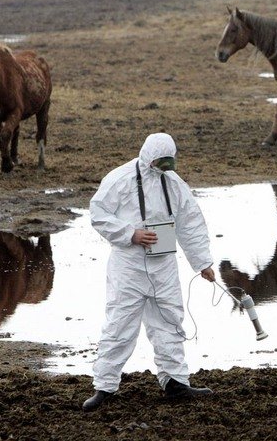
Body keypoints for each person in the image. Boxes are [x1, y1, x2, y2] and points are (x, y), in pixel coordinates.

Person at [83, 133, 216, 412]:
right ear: (148, 157)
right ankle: (104, 387)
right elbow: (98, 213)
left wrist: (202, 262)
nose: (164, 168)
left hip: (164, 265)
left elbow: (190, 222)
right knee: (119, 324)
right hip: (129, 266)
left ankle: (175, 382)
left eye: (169, 163)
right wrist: (130, 234)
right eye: (160, 163)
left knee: (170, 321)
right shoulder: (120, 179)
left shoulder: (174, 183)